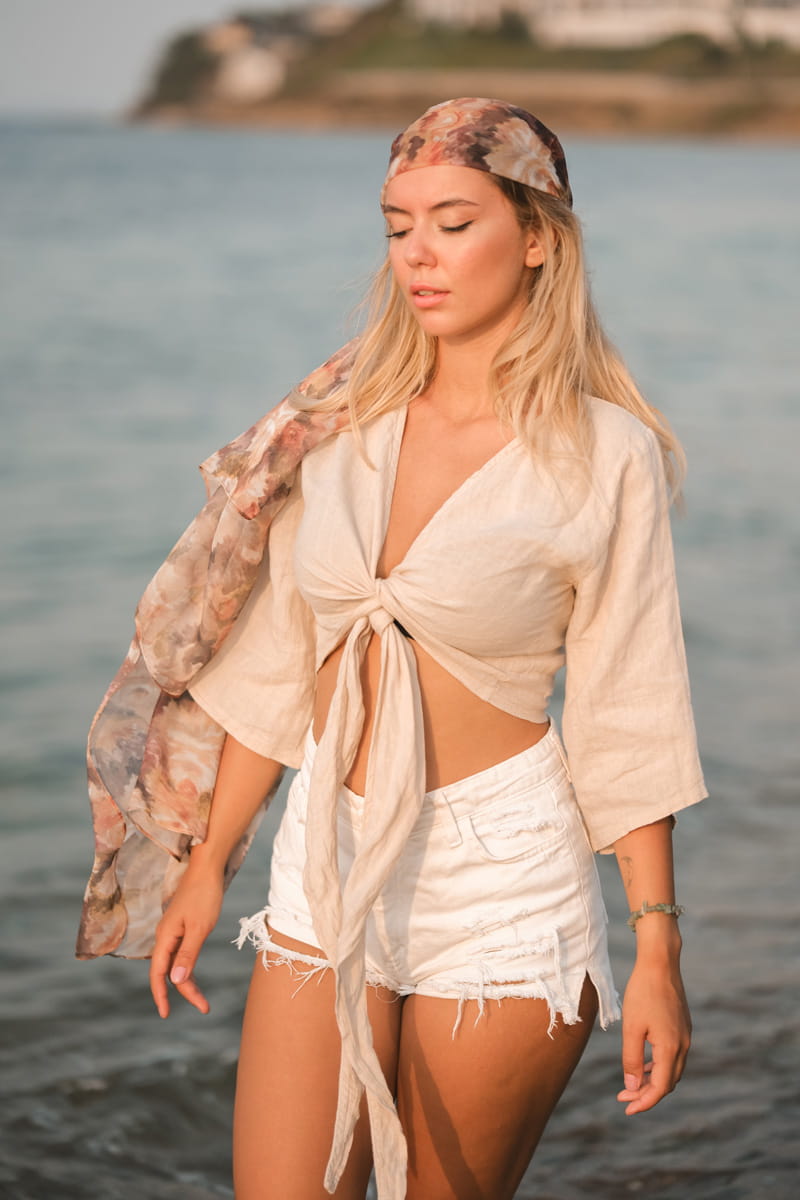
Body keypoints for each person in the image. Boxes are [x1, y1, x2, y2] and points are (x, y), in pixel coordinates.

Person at [77, 98, 706, 1200]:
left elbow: (628, 708)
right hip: (328, 850)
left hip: (500, 874)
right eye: (396, 223)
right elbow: (277, 666)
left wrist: (656, 950)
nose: (418, 253)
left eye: (453, 222)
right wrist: (209, 866)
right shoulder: (343, 423)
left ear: (538, 236)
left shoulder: (603, 454)